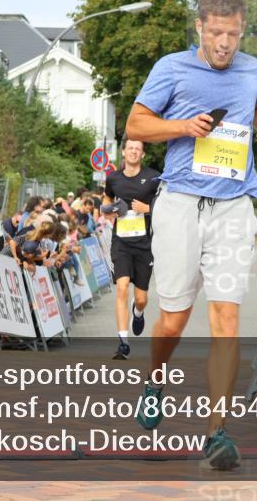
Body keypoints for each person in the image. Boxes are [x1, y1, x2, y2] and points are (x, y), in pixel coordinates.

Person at [125, 0, 257, 470]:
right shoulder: (171, 68)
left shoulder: (251, 68)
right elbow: (135, 125)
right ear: (199, 28)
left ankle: (217, 432)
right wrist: (181, 127)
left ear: (242, 31)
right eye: (216, 33)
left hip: (233, 206)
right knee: (172, 317)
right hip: (181, 204)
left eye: (232, 34)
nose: (224, 43)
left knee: (226, 320)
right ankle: (155, 380)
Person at [102, 139, 161, 360]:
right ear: (124, 152)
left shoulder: (154, 177)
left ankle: (139, 312)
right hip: (122, 242)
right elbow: (107, 198)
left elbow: (165, 202)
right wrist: (106, 208)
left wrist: (147, 208)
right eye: (130, 148)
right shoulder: (113, 178)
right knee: (122, 288)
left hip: (145, 244)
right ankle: (123, 342)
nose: (134, 151)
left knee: (141, 298)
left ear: (142, 154)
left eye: (138, 149)